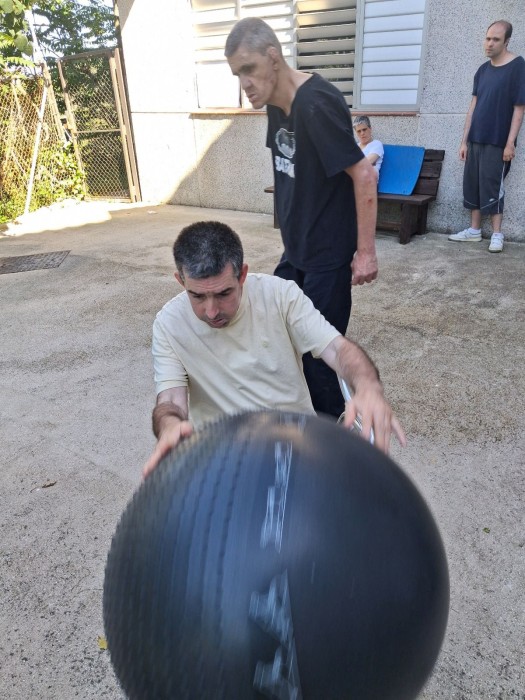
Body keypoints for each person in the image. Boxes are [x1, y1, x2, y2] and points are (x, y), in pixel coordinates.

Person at [143, 221, 405, 477]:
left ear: (242, 275)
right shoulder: (169, 323)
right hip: (223, 458)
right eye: (197, 296)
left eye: (224, 294)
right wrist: (170, 426)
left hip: (298, 446)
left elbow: (337, 349)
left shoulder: (280, 295)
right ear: (181, 281)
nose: (211, 311)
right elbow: (171, 400)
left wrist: (368, 387)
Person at [224, 18, 378, 420]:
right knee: (272, 339)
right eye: (238, 74)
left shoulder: (316, 103)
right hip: (296, 254)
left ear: (273, 58)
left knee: (319, 361)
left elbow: (364, 174)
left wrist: (365, 252)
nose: (245, 83)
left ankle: (336, 441)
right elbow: (289, 172)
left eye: (249, 69)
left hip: (327, 258)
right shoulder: (276, 104)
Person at [448, 20, 525, 253]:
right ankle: (474, 230)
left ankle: (497, 234)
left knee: (493, 186)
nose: (489, 43)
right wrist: (464, 141)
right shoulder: (482, 70)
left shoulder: (518, 67)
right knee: (473, 184)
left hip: (497, 140)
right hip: (475, 139)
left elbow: (519, 108)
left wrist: (510, 143)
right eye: (487, 38)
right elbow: (473, 107)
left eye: (495, 39)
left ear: (507, 41)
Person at [353, 116, 384, 181]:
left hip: (369, 182)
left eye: (364, 129)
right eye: (359, 131)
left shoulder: (376, 144)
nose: (362, 133)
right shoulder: (355, 146)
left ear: (370, 129)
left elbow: (366, 163)